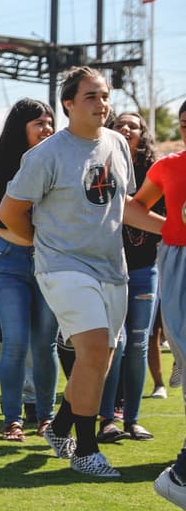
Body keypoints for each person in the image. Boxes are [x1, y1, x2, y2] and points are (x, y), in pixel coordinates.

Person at [0, 67, 162, 477]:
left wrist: (174, 229)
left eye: (105, 95)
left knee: (100, 361)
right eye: (91, 96)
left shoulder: (117, 144)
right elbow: (10, 212)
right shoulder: (45, 155)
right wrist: (41, 244)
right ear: (68, 104)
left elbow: (122, 204)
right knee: (92, 351)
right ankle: (85, 451)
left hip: (113, 268)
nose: (102, 103)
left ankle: (61, 426)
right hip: (64, 267)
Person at [0, 99, 59, 442]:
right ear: (20, 127)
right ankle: (12, 420)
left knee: (45, 344)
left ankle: (46, 418)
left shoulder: (59, 158)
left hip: (49, 259)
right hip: (8, 261)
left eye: (50, 122)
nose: (46, 129)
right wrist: (4, 234)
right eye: (39, 123)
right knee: (15, 342)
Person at [95, 112, 163, 442]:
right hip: (110, 268)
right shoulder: (103, 168)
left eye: (133, 126)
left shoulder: (157, 173)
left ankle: (132, 420)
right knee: (115, 343)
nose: (126, 129)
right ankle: (106, 419)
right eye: (120, 124)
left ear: (142, 134)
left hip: (146, 269)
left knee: (137, 343)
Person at [141, 100, 186, 509]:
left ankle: (180, 476)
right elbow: (134, 207)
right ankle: (181, 476)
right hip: (181, 264)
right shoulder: (169, 166)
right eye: (185, 125)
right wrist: (171, 228)